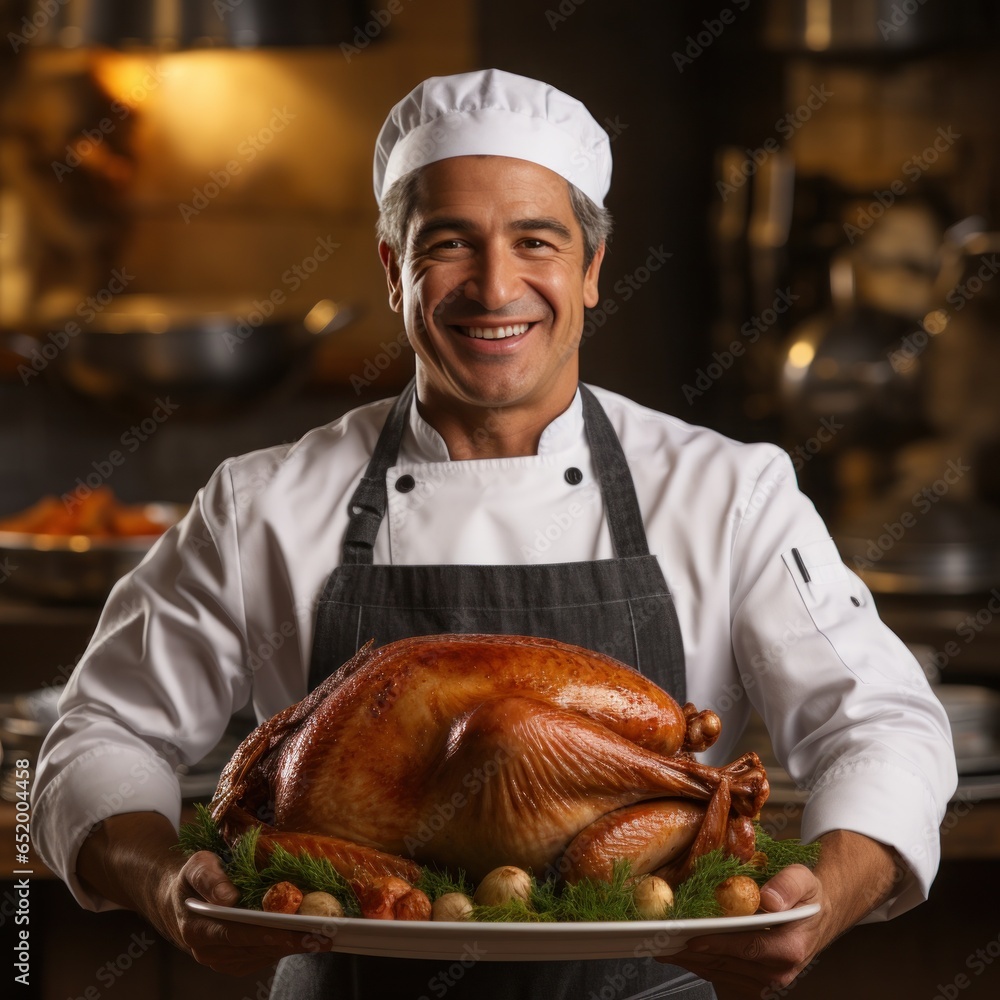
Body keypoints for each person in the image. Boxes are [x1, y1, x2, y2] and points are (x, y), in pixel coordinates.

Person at [33, 69, 957, 999]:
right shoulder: (264, 502)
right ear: (394, 268)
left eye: (535, 241)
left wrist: (822, 900)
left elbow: (883, 726)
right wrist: (166, 887)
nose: (494, 285)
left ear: (593, 270)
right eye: (449, 244)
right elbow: (97, 734)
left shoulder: (727, 492)